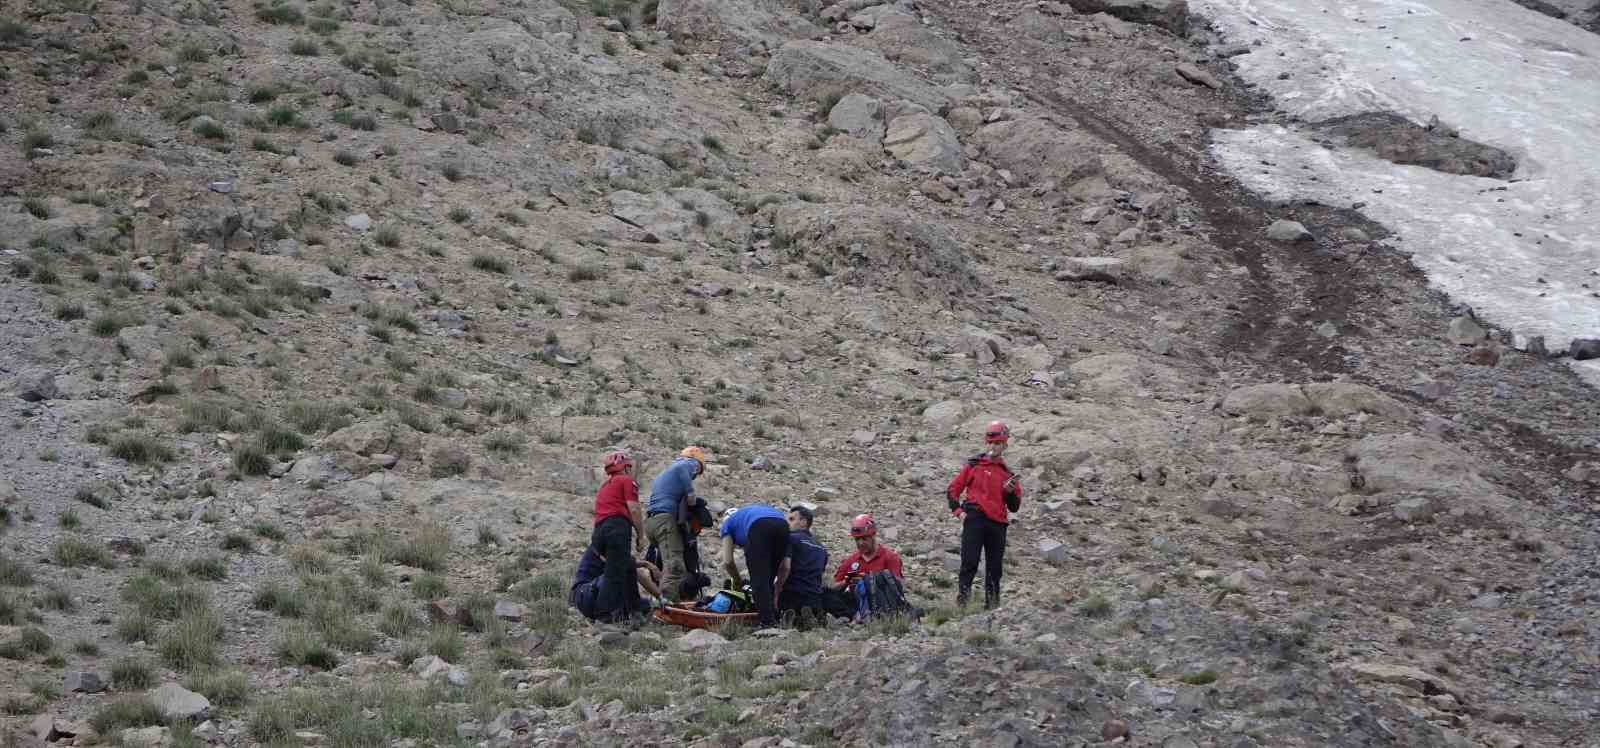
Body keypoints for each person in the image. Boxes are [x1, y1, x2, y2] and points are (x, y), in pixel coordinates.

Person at [946, 420, 1022, 609]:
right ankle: (962, 604)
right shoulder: (974, 465)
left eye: (998, 443)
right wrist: (958, 511)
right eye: (991, 442)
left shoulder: (1008, 473)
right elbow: (953, 490)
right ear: (986, 442)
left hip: (998, 524)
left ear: (1005, 445)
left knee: (995, 569)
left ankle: (993, 608)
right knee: (969, 563)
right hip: (975, 518)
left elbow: (1014, 507)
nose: (994, 446)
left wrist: (1010, 492)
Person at [645, 446, 707, 603]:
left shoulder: (665, 473)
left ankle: (665, 599)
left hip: (652, 522)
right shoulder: (687, 464)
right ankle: (669, 606)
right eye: (698, 472)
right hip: (665, 521)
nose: (695, 474)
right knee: (675, 567)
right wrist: (691, 494)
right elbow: (682, 468)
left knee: (665, 564)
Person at [590, 450, 645, 620]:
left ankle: (636, 608)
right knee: (615, 573)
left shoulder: (605, 486)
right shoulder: (627, 481)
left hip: (599, 532)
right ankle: (603, 616)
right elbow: (634, 509)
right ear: (626, 467)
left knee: (626, 566)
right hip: (617, 528)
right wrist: (640, 535)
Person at [717, 503, 791, 628]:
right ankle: (774, 617)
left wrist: (737, 580)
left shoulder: (728, 524)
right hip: (783, 525)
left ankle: (767, 624)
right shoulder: (746, 514)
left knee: (758, 581)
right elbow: (785, 566)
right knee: (768, 579)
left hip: (759, 527)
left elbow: (728, 561)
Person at [570, 543, 664, 622]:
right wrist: (646, 564)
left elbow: (636, 573)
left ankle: (623, 615)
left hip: (599, 594)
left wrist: (660, 597)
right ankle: (605, 619)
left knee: (647, 605)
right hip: (584, 595)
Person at [777, 505, 828, 625]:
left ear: (804, 522)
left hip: (793, 594)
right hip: (815, 596)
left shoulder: (790, 539)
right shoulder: (822, 548)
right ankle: (814, 616)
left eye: (791, 519)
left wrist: (777, 588)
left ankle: (795, 619)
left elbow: (785, 567)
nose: (787, 523)